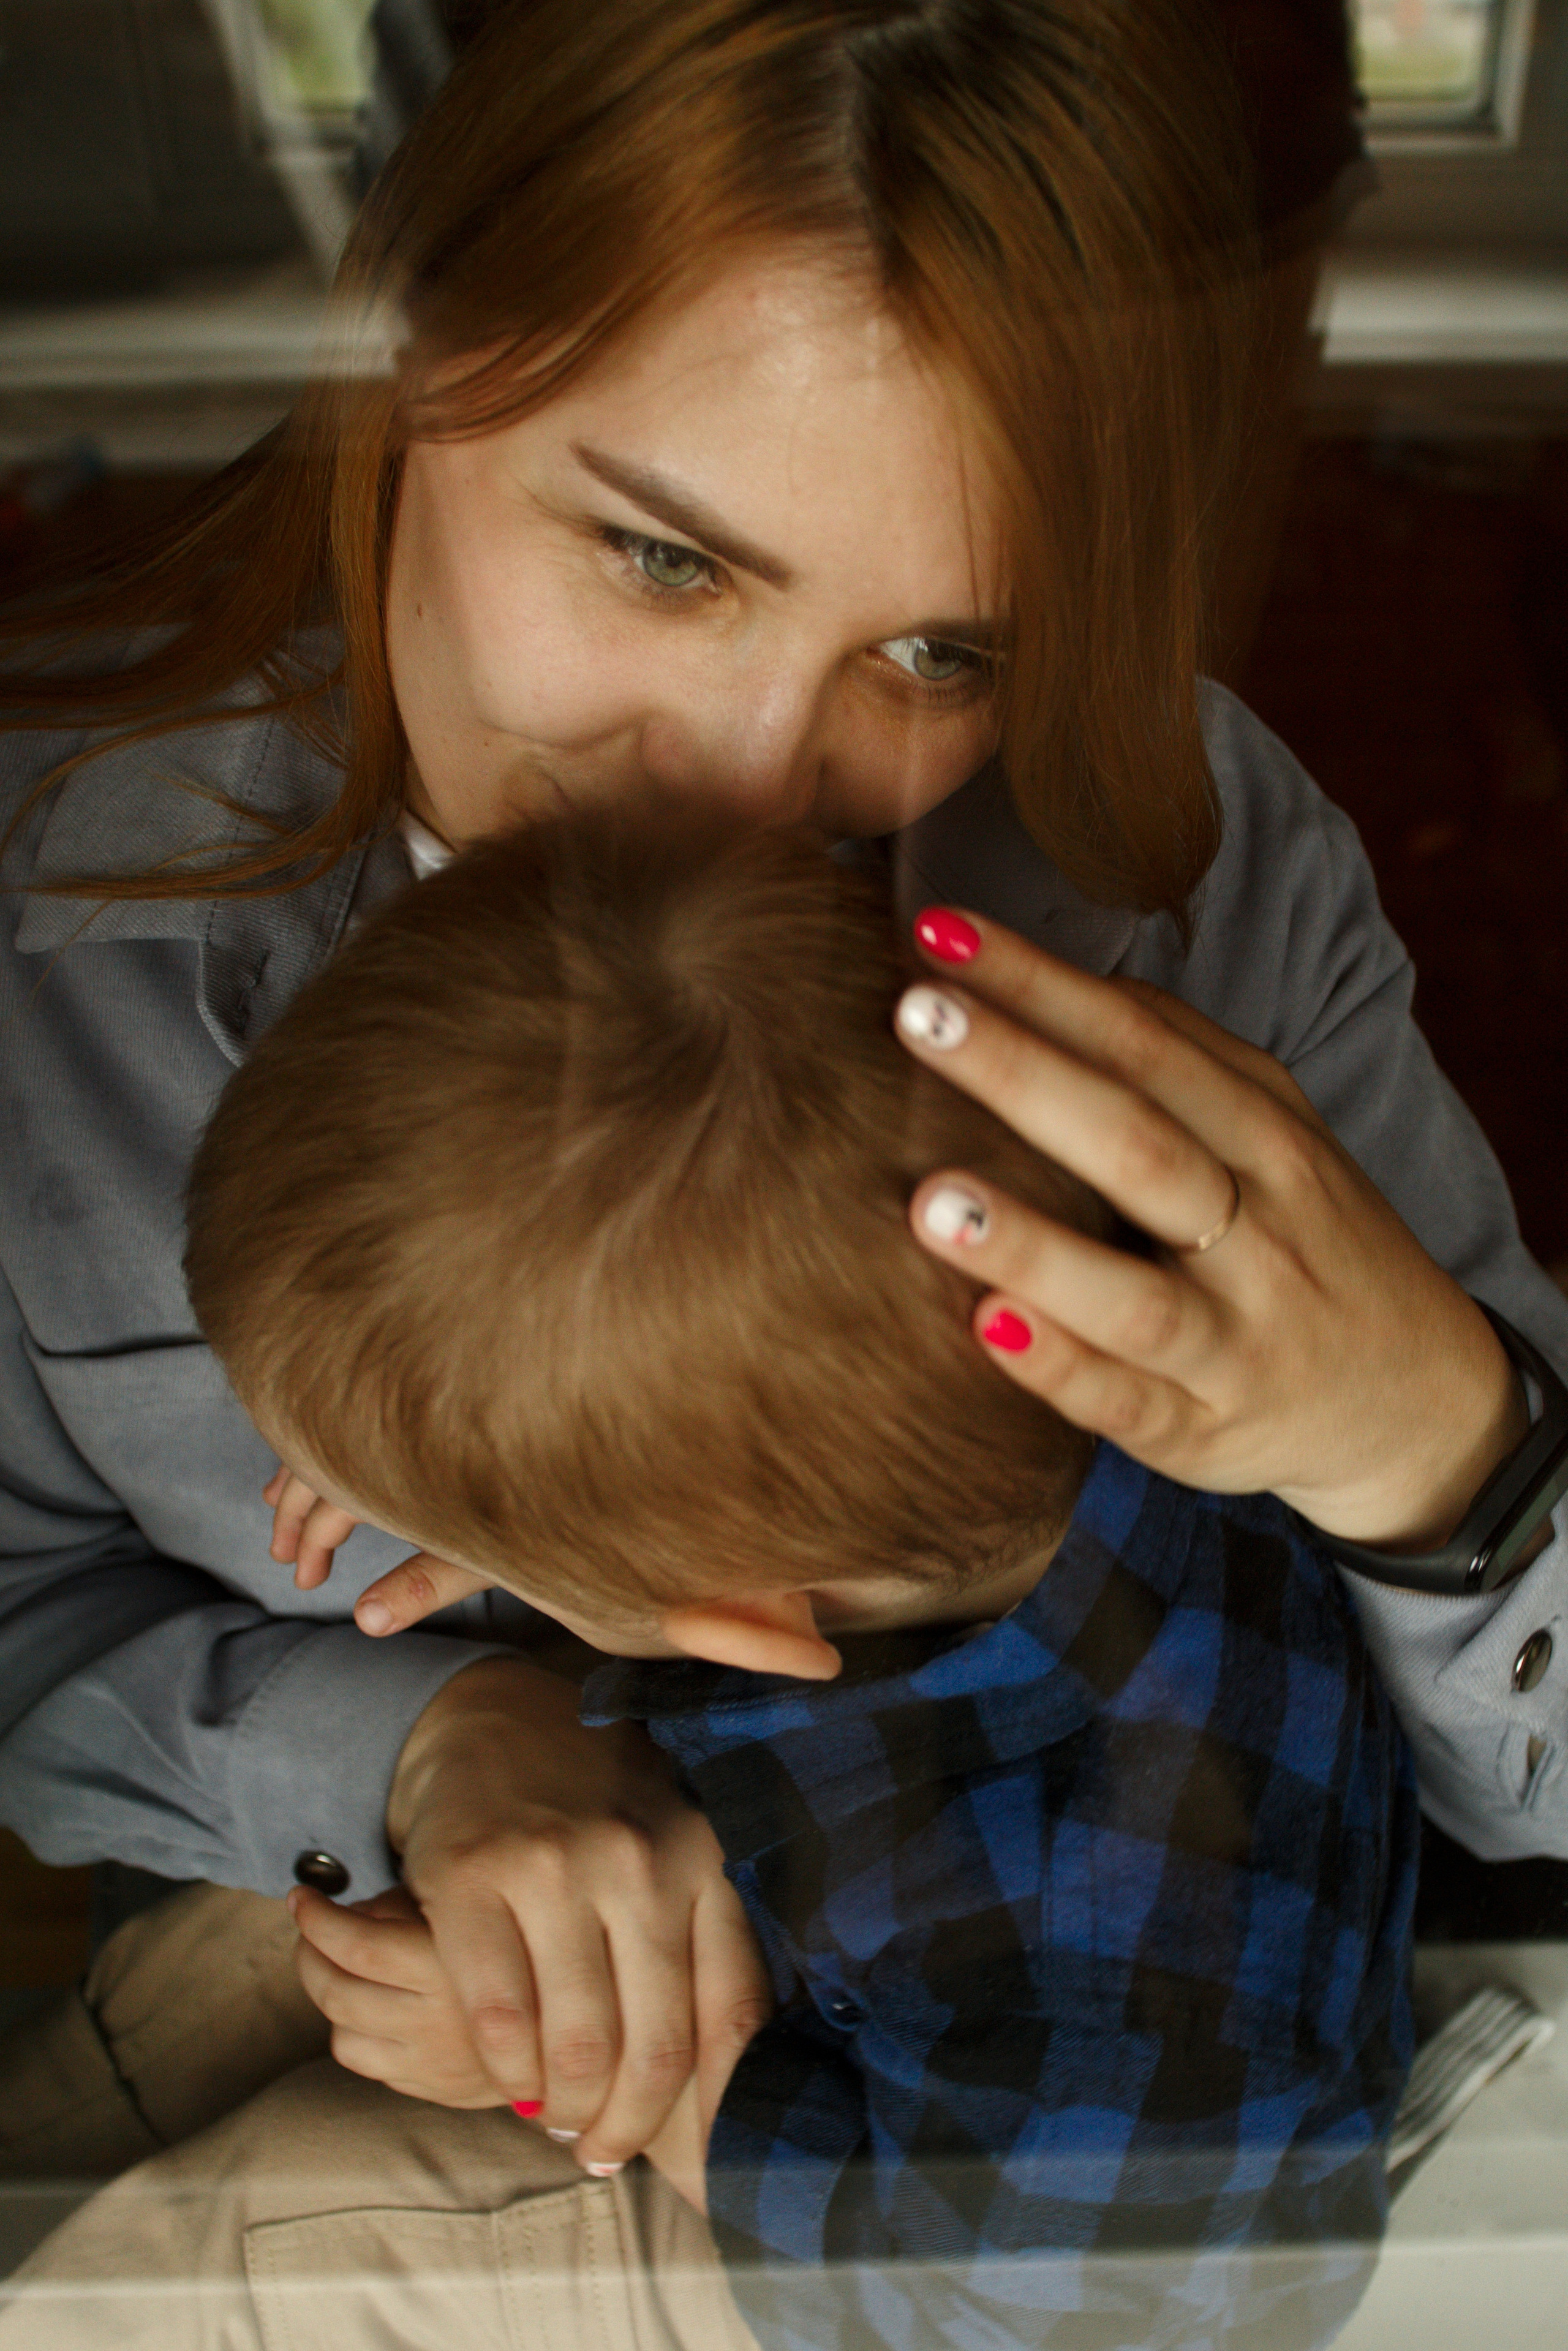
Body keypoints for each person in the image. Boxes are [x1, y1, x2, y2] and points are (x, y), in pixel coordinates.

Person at [0, 0, 1562, 2202]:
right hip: (314, 2020)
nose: (753, 782)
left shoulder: (1197, 874)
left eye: (944, 652)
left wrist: (1442, 1453)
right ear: (413, 362)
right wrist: (429, 1734)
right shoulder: (47, 899)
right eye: (661, 556)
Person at [5, 812, 1420, 2351]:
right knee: (267, 1938)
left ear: (738, 1620)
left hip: (904, 2268)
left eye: (452, 1537)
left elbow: (1015, 2303)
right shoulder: (1052, 1362)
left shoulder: (1113, 1951)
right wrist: (470, 1454)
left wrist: (572, 2063)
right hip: (828, 1928)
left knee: (265, 2237)